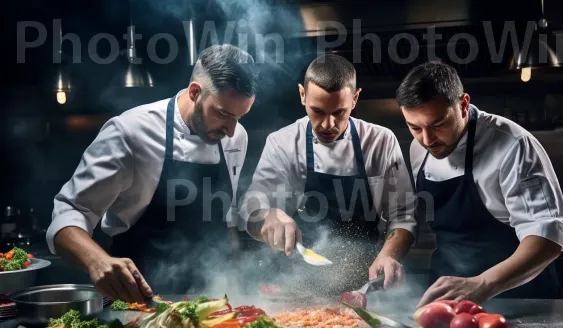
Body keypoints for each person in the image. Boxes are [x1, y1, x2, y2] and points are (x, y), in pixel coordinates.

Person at [46, 44, 258, 302]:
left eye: (241, 116)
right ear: (195, 92)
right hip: (139, 302)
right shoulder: (130, 132)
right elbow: (69, 211)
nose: (233, 130)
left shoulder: (236, 137)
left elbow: (224, 218)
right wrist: (96, 260)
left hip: (213, 298)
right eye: (224, 113)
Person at [239, 54, 418, 295]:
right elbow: (252, 206)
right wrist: (267, 216)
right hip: (298, 285)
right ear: (302, 95)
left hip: (365, 286)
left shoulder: (380, 141)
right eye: (318, 111)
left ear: (354, 99)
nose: (327, 124)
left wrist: (388, 256)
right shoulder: (283, 143)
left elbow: (403, 214)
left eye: (339, 112)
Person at [394, 61, 563, 308]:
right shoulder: (418, 149)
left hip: (520, 300)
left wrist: (483, 284)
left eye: (438, 124)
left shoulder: (512, 145)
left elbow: (547, 237)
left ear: (464, 105)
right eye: (414, 128)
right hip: (449, 301)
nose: (427, 139)